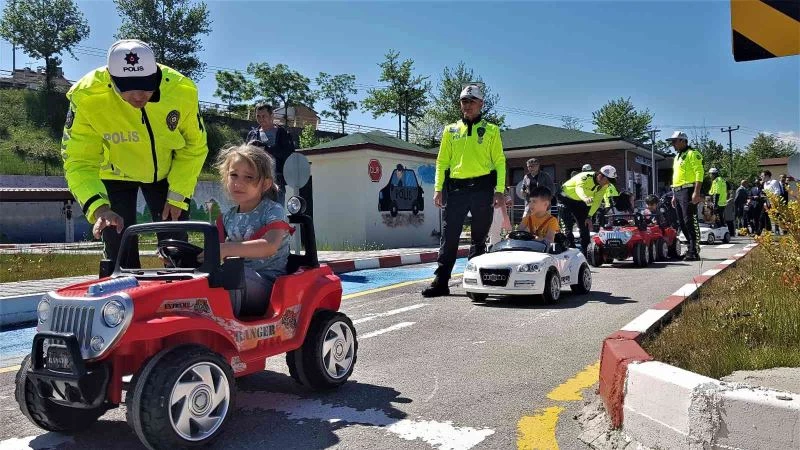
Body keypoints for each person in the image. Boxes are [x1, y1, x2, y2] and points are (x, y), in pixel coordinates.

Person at [62, 39, 208, 268]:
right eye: (128, 87)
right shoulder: (86, 95)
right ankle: (120, 286)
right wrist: (100, 208)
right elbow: (78, 160)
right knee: (118, 243)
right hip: (114, 174)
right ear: (111, 79)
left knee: (175, 241)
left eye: (146, 85)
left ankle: (180, 282)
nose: (139, 95)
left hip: (166, 174)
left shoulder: (182, 90)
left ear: (156, 74)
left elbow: (194, 146)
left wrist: (178, 194)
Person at [422, 83, 506, 297]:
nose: (467, 105)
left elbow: (499, 161)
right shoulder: (450, 130)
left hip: (483, 188)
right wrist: (438, 188)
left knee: (479, 237)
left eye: (472, 101)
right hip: (456, 189)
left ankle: (474, 282)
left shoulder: (491, 130)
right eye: (464, 101)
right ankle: (441, 281)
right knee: (449, 236)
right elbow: (442, 161)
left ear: (481, 104)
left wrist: (499, 190)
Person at [213, 144, 291, 316]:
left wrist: (226, 249)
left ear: (265, 184)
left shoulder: (273, 211)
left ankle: (225, 323)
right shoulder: (226, 217)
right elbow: (213, 250)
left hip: (269, 285)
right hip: (237, 280)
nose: (238, 183)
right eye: (233, 175)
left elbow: (270, 245)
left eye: (248, 177)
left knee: (231, 274)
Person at [558, 165, 617, 254]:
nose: (608, 184)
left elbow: (597, 201)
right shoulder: (585, 176)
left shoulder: (604, 186)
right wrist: (585, 198)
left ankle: (587, 253)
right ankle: (570, 251)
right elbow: (579, 188)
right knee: (567, 227)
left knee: (585, 227)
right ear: (600, 176)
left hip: (580, 201)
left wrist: (589, 216)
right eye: (607, 180)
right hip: (565, 198)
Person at [246, 103, 296, 204]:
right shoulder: (252, 134)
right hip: (256, 181)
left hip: (276, 181)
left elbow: (289, 155)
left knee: (277, 210)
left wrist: (267, 149)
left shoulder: (282, 133)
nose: (261, 119)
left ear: (272, 116)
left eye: (264, 116)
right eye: (258, 116)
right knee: (256, 211)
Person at [667, 131, 703, 261]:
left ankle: (694, 250)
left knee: (689, 220)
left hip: (688, 190)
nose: (672, 144)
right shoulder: (677, 156)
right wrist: (674, 195)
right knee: (681, 222)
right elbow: (677, 177)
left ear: (683, 141)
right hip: (677, 191)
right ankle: (690, 247)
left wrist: (696, 192)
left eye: (674, 141)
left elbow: (699, 172)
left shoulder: (692, 154)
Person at [761, 170, 784, 235]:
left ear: (767, 176)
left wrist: (770, 196)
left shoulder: (774, 182)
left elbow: (778, 192)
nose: (761, 177)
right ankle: (768, 230)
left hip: (774, 202)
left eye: (762, 176)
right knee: (764, 216)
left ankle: (779, 230)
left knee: (777, 216)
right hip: (767, 202)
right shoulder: (764, 184)